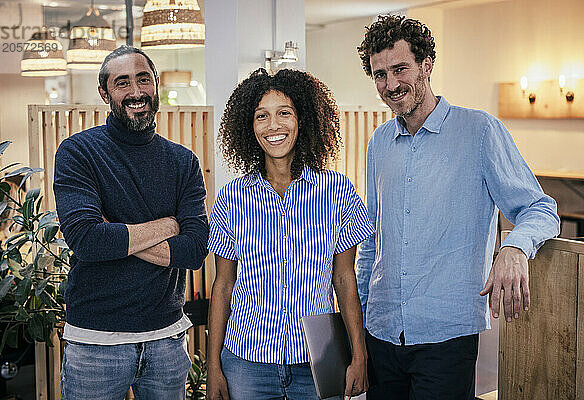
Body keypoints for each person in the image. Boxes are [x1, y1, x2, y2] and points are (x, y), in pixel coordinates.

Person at [355, 15, 560, 400]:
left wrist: (515, 247)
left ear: (426, 66)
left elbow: (540, 208)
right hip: (380, 331)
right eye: (380, 74)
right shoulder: (379, 142)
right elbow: (373, 241)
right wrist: (363, 318)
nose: (390, 84)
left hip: (446, 337)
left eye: (400, 69)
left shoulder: (479, 131)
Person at [206, 68, 374, 400]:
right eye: (261, 116)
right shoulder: (231, 198)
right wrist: (213, 367)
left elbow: (344, 278)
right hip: (246, 362)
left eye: (285, 113)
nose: (274, 126)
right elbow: (223, 285)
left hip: (318, 359)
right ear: (249, 126)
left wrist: (359, 354)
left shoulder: (337, 191)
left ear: (304, 120)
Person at [53, 45, 209, 400]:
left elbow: (195, 250)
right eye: (122, 83)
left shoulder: (183, 162)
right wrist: (170, 226)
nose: (136, 92)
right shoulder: (78, 152)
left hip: (167, 340)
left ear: (155, 85)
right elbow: (88, 241)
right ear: (104, 92)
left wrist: (118, 233)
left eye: (144, 79)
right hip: (96, 342)